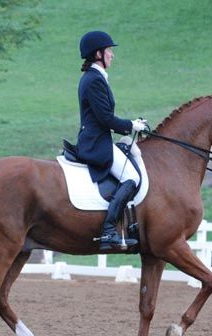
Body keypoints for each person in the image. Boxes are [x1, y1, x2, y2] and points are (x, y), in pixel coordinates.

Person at [76, 31, 147, 250]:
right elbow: (105, 118)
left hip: (97, 138)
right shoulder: (94, 80)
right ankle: (108, 231)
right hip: (96, 143)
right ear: (98, 53)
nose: (112, 55)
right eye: (109, 51)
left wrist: (131, 123)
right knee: (132, 177)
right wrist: (131, 126)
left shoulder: (94, 77)